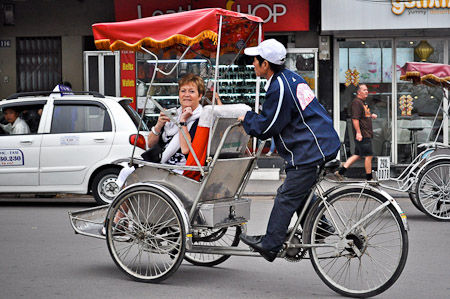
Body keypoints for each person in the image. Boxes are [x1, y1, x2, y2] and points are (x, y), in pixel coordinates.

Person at [237, 39, 340, 262]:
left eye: (255, 60)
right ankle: (319, 228)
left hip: (309, 150)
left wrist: (247, 119)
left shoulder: (279, 87)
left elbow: (267, 126)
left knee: (285, 197)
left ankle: (270, 245)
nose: (253, 63)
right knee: (298, 192)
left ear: (265, 64)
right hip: (317, 145)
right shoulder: (290, 78)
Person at [102, 74, 204, 236]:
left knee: (132, 175)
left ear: (200, 95)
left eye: (191, 91)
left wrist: (183, 123)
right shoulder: (173, 115)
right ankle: (124, 219)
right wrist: (159, 124)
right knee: (128, 170)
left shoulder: (200, 119)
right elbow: (151, 144)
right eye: (183, 90)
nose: (186, 94)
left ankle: (117, 221)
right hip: (165, 164)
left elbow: (186, 149)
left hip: (183, 169)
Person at [334, 84, 377, 181]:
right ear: (358, 92)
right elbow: (355, 119)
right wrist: (358, 133)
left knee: (357, 155)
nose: (366, 92)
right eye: (364, 90)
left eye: (367, 90)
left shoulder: (362, 103)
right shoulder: (357, 103)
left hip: (365, 133)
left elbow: (363, 115)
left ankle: (340, 172)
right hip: (363, 134)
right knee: (368, 155)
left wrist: (371, 115)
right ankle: (369, 179)